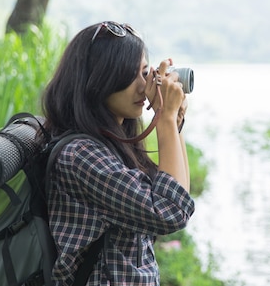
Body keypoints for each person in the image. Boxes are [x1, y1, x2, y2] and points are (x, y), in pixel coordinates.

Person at [40, 21, 195, 286]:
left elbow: (176, 193)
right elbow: (172, 211)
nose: (142, 85)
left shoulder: (112, 141)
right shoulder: (80, 155)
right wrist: (165, 118)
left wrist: (174, 120)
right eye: (128, 76)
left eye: (145, 72)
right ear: (97, 81)